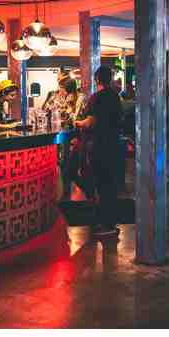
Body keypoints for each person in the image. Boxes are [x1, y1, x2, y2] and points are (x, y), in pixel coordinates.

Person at [74, 65, 123, 238]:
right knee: (109, 185)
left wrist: (78, 123)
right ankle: (110, 221)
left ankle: (106, 224)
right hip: (113, 145)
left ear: (97, 80)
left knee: (102, 185)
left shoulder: (96, 98)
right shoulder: (115, 96)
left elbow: (91, 122)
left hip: (99, 145)